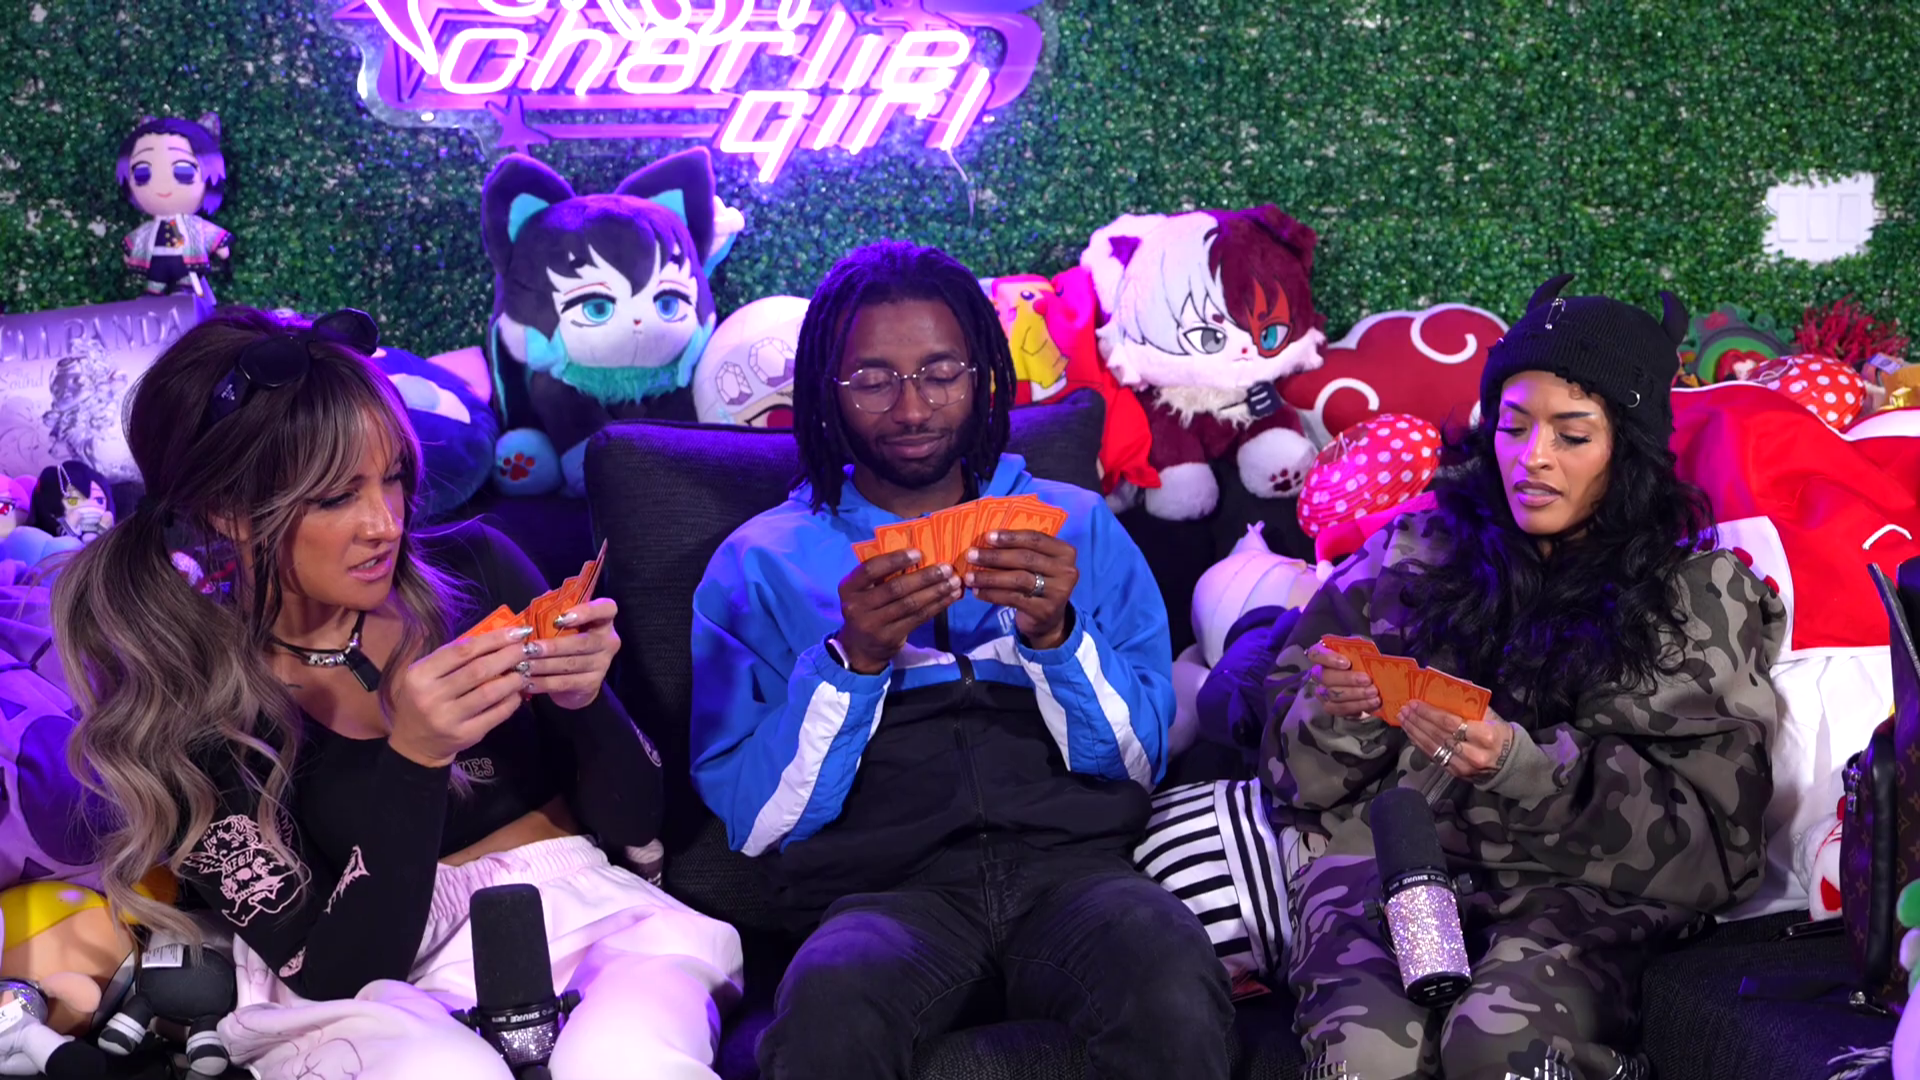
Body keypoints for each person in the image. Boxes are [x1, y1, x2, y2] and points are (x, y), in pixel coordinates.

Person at [52, 307, 741, 1080]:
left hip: (598, 926)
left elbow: (639, 826)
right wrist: (415, 759)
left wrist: (587, 702)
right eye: (336, 496)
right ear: (227, 512)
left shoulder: (479, 569)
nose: (385, 523)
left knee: (626, 1062)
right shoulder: (192, 716)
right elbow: (338, 972)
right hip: (374, 993)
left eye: (393, 479)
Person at [690, 241, 1233, 1080]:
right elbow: (756, 822)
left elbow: (1140, 761)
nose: (912, 408)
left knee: (1169, 971)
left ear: (982, 378)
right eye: (873, 379)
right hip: (879, 897)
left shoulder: (1077, 524)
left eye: (941, 372)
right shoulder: (758, 562)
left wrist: (1057, 638)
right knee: (827, 1011)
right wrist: (853, 662)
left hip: (1074, 876)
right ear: (826, 392)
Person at [1260, 275, 1784, 1080]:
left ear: (1630, 450)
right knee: (1366, 1062)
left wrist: (1522, 766)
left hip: (1576, 894)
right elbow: (1292, 777)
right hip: (1393, 870)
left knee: (1495, 1049)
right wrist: (1343, 717)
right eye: (1511, 426)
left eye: (1571, 435)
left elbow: (1719, 849)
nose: (1531, 458)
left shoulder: (1689, 597)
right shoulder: (1411, 554)